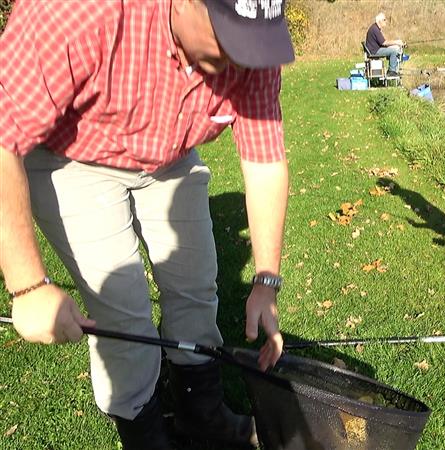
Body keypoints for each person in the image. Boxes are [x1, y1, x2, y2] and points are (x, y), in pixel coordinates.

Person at [0, 0, 294, 448]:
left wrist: (266, 282)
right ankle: (145, 433)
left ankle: (201, 416)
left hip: (169, 156)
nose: (242, 61)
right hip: (72, 157)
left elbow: (264, 160)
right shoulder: (79, 11)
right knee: (124, 315)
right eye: (228, 39)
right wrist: (28, 287)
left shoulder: (254, 49)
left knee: (196, 288)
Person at [365, 12, 405, 77]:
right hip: (374, 51)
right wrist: (397, 42)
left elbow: (383, 42)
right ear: (379, 21)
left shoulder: (375, 28)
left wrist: (394, 45)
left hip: (376, 49)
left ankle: (393, 68)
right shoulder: (375, 29)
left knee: (395, 48)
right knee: (394, 51)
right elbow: (384, 43)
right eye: (384, 20)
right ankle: (391, 71)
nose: (385, 21)